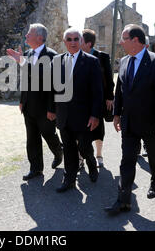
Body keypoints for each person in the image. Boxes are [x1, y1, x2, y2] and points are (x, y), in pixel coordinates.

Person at [105, 24, 155, 216]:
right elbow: (120, 90)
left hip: (151, 123)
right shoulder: (124, 61)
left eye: (124, 38)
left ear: (135, 40)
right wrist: (116, 114)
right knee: (127, 160)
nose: (120, 41)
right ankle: (123, 200)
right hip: (129, 123)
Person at [7, 23, 63, 181]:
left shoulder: (52, 55)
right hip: (29, 105)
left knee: (49, 134)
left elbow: (51, 82)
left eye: (28, 34)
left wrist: (52, 108)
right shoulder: (27, 54)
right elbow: (26, 80)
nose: (26, 36)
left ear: (39, 37)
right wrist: (22, 100)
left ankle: (59, 152)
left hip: (45, 107)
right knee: (32, 138)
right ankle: (36, 169)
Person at [51, 28, 103, 192]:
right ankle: (69, 179)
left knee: (84, 148)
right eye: (69, 39)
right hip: (64, 115)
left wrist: (95, 115)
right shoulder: (57, 61)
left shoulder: (92, 61)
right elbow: (51, 88)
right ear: (64, 42)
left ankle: (92, 164)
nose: (73, 42)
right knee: (68, 148)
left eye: (76, 39)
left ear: (81, 41)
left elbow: (97, 91)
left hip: (84, 116)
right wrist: (51, 109)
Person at [81, 29, 114, 168]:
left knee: (98, 128)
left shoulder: (102, 57)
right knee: (80, 128)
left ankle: (99, 155)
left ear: (88, 43)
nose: (76, 42)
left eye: (79, 40)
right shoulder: (76, 56)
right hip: (81, 100)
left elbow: (108, 78)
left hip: (98, 99)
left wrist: (109, 97)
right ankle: (80, 157)